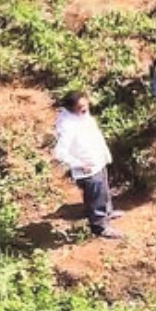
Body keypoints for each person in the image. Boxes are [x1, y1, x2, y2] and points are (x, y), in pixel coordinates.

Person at [53, 92, 122, 240]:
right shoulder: (68, 126)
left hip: (98, 161)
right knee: (95, 197)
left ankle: (107, 213)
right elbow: (59, 153)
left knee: (103, 191)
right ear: (71, 108)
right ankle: (100, 227)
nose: (85, 108)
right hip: (88, 169)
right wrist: (78, 164)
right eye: (81, 107)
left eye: (86, 105)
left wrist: (105, 154)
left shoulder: (83, 116)